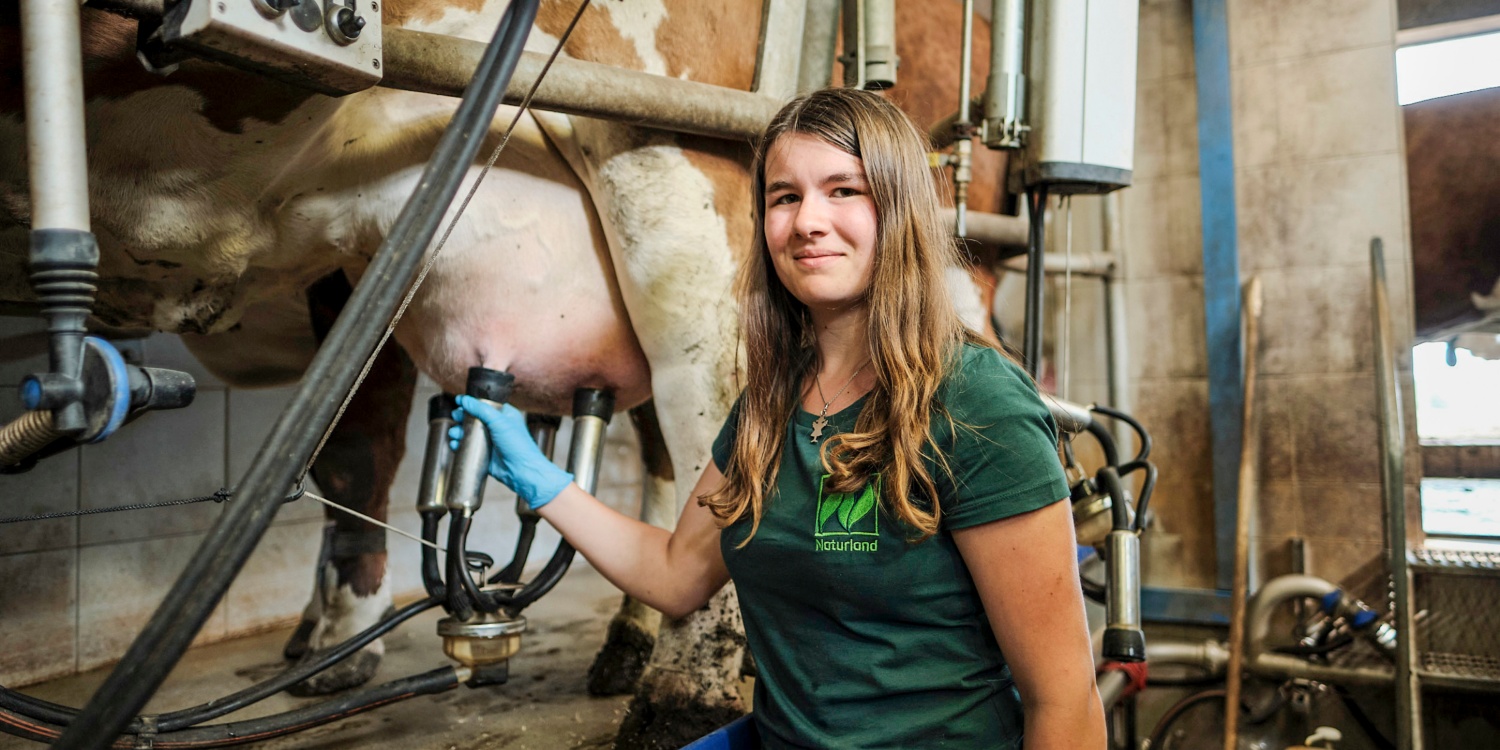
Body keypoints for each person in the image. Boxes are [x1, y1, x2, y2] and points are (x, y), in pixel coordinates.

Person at [451, 88, 1106, 749]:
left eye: (843, 189)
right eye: (784, 196)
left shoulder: (976, 403)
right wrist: (542, 480)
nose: (807, 221)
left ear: (900, 208)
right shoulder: (770, 404)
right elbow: (677, 576)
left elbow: (1064, 697)